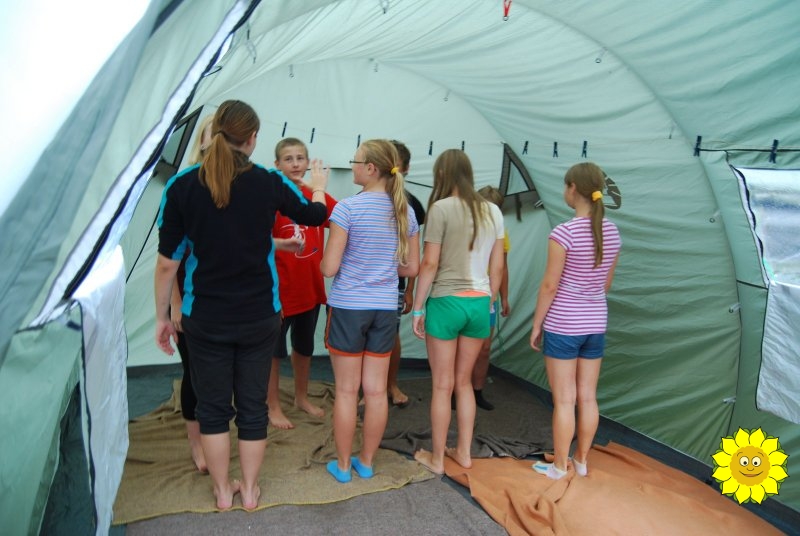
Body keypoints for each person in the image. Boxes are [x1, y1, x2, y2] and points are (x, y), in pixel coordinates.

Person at [154, 100, 330, 510]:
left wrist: (163, 317)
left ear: (216, 133)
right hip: (259, 316)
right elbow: (314, 214)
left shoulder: (180, 186)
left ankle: (222, 492)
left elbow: (166, 265)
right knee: (252, 407)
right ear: (252, 138)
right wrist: (318, 183)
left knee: (213, 408)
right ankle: (249, 491)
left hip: (204, 319)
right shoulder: (269, 181)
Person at [320, 139, 420, 483]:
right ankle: (365, 462)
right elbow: (411, 268)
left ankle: (343, 466)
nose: (353, 166)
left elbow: (329, 268)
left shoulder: (346, 209)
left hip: (349, 308)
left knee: (347, 391)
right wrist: (385, 265)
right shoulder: (406, 212)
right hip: (384, 308)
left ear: (371, 168)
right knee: (376, 391)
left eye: (356, 161)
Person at [411, 149, 504, 475]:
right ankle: (463, 453)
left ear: (441, 174)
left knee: (442, 385)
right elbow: (497, 265)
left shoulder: (440, 209)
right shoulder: (493, 210)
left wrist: (417, 308)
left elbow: (429, 263)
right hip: (479, 303)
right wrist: (490, 301)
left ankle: (437, 458)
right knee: (464, 383)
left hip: (446, 302)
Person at [529, 162, 621, 480]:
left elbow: (549, 286)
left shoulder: (563, 233)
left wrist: (537, 324)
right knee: (588, 397)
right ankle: (580, 461)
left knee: (565, 400)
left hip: (564, 325)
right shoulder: (611, 231)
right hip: (595, 323)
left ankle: (559, 466)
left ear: (572, 189)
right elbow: (605, 285)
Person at [267, 138, 337, 429]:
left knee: (304, 346)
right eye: (288, 159)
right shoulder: (272, 198)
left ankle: (301, 397)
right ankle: (272, 405)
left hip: (310, 287)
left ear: (308, 163)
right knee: (273, 352)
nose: (295, 164)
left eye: (300, 158)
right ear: (277, 165)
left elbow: (342, 219)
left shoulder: (315, 195)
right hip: (280, 292)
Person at [169, 114, 214, 473]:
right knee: (195, 373)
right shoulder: (183, 186)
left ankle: (215, 437)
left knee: (219, 374)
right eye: (216, 134)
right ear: (202, 140)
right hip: (189, 299)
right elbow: (168, 257)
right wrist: (173, 306)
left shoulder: (243, 185)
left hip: (226, 301)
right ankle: (196, 444)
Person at [387, 140, 426, 408]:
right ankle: (368, 389)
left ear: (406, 169)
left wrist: (410, 289)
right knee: (367, 337)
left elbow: (415, 253)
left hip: (396, 282)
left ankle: (391, 384)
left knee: (391, 334)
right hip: (366, 283)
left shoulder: (412, 204)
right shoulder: (365, 198)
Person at [470, 185, 511, 411]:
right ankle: (457, 390)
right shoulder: (465, 228)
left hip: (489, 296)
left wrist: (504, 297)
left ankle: (477, 391)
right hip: (466, 293)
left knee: (484, 348)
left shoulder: (501, 233)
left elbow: (503, 267)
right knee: (463, 346)